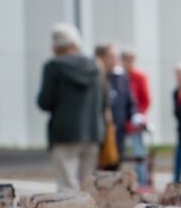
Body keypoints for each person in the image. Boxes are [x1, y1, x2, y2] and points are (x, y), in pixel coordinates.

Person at [37, 23, 104, 190]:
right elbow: (104, 99)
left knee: (66, 187)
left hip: (64, 132)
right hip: (93, 131)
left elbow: (45, 102)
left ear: (55, 45)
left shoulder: (53, 67)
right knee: (87, 187)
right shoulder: (95, 65)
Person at [96, 43, 137, 172]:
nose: (116, 60)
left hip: (118, 132)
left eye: (117, 56)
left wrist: (135, 115)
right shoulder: (95, 76)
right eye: (112, 56)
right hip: (99, 131)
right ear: (101, 58)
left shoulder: (121, 77)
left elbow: (129, 100)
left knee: (115, 166)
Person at [122, 47, 151, 187]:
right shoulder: (119, 76)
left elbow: (145, 99)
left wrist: (139, 115)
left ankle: (142, 181)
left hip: (135, 120)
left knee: (138, 151)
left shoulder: (139, 76)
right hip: (121, 121)